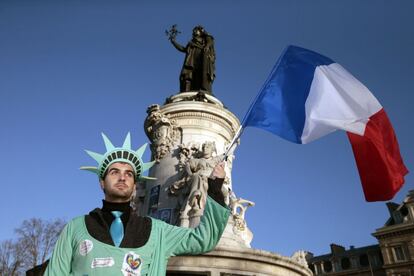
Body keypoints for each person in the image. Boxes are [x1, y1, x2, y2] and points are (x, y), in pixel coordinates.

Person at [41, 133, 229, 276]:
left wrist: (214, 187)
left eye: (129, 174)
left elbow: (203, 239)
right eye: (114, 172)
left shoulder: (157, 231)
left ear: (135, 186)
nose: (122, 177)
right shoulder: (75, 228)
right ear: (101, 182)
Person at [169, 25, 216, 93]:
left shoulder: (206, 38)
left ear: (200, 31)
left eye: (196, 30)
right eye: (194, 31)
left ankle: (204, 89)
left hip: (202, 58)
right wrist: (174, 42)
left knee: (201, 73)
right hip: (191, 61)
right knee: (188, 75)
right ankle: (187, 91)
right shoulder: (191, 42)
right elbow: (183, 49)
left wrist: (207, 46)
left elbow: (210, 42)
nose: (194, 31)